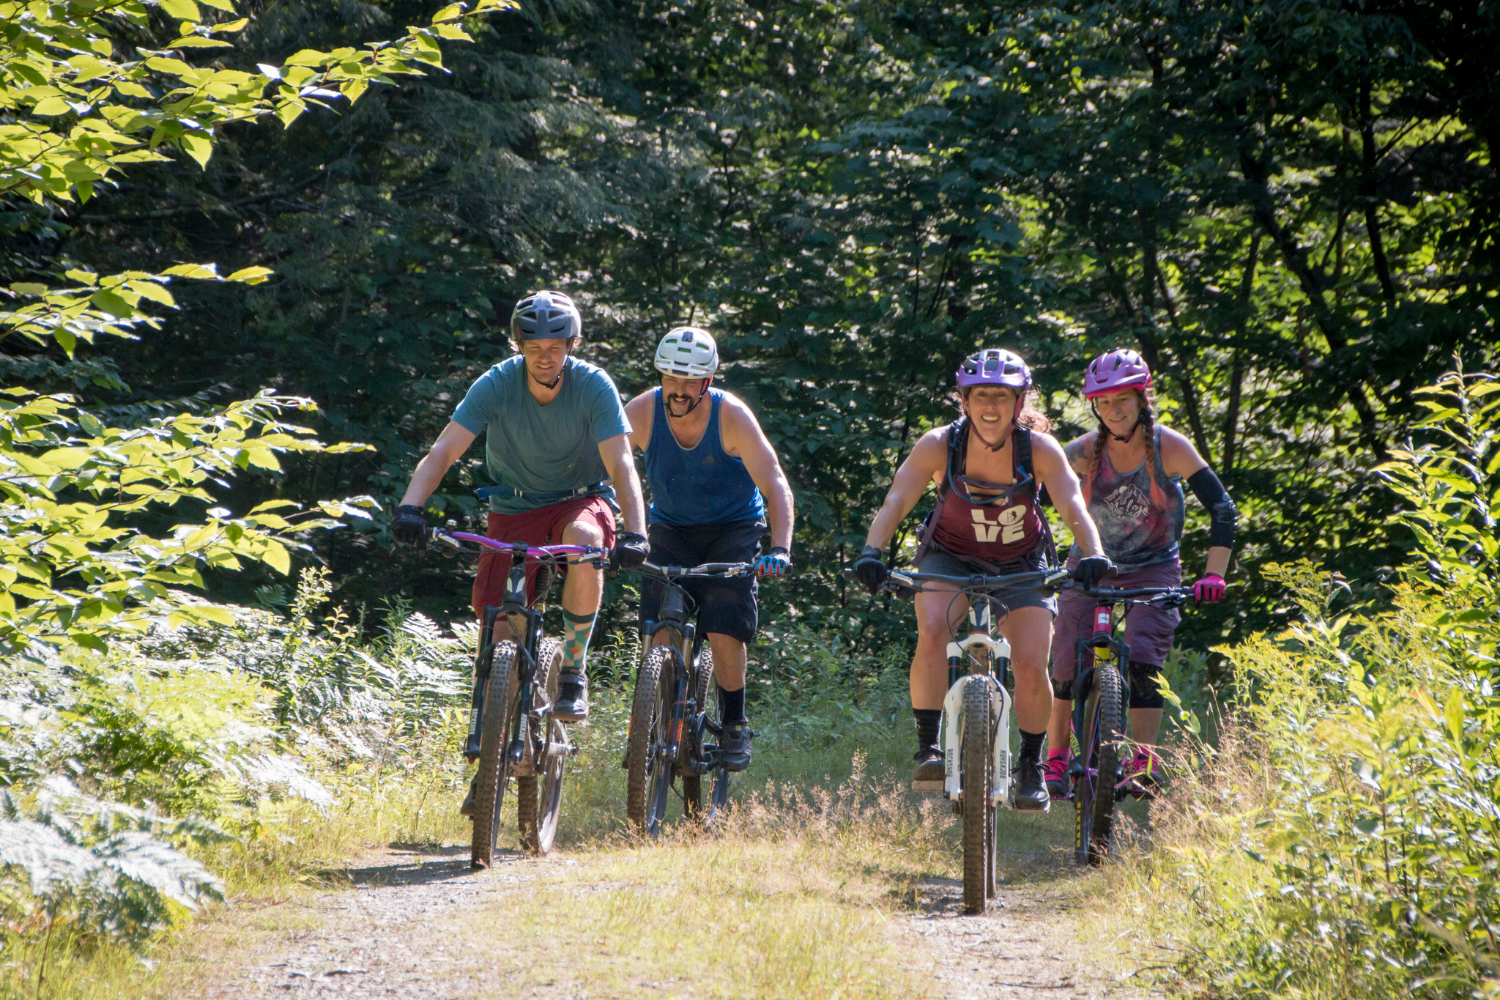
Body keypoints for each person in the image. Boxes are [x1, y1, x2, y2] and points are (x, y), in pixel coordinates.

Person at [389, 290, 650, 813]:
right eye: (535, 345)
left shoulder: (593, 386)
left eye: (557, 345)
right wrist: (411, 507)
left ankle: (573, 670)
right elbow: (444, 449)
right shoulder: (497, 384)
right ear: (519, 344)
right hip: (513, 508)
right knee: (499, 633)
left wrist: (637, 533)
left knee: (586, 542)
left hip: (579, 499)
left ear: (572, 345)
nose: (546, 356)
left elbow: (621, 465)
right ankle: (491, 763)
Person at [852, 348, 1112, 811]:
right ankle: (929, 747)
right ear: (964, 400)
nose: (991, 406)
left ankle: (1030, 765)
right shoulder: (939, 444)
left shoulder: (1039, 450)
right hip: (948, 556)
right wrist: (873, 552)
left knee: (1033, 661)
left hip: (1021, 562)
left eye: (1002, 395)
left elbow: (1073, 505)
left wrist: (1094, 554)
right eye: (980, 395)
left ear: (1020, 402)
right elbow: (896, 501)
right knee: (932, 629)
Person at [1045, 348, 1236, 800]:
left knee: (1144, 660)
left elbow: (1222, 509)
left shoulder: (1167, 446)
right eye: (1104, 402)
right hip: (1091, 564)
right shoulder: (1086, 452)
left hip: (1154, 566)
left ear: (1141, 398)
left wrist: (1213, 574)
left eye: (1122, 400)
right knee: (1065, 662)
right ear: (1095, 407)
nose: (1114, 411)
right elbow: (1034, 485)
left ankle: (1143, 760)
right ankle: (1055, 757)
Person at [623, 326, 795, 772]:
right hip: (671, 526)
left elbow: (775, 483)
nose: (678, 390)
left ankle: (734, 722)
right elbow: (607, 467)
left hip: (732, 527)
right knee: (658, 621)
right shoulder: (641, 412)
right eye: (671, 379)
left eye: (690, 381)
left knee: (723, 620)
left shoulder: (731, 417)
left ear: (708, 382)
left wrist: (779, 547)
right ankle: (650, 723)